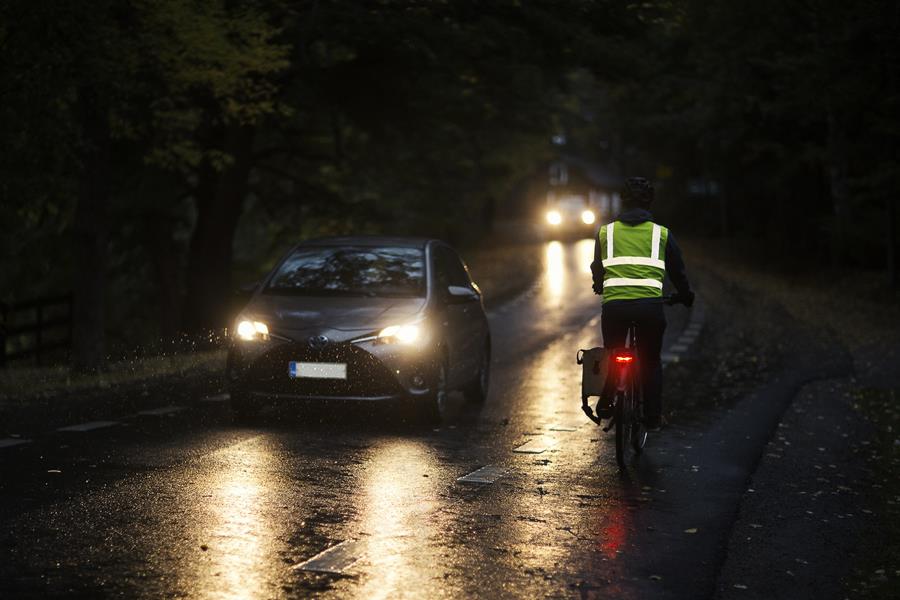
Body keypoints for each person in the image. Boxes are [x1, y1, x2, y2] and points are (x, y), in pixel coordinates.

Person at [590, 177, 694, 431]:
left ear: (623, 202)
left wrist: (599, 284)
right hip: (650, 309)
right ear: (650, 202)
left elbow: (597, 267)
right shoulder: (661, 234)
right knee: (650, 362)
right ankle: (652, 417)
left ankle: (606, 398)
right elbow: (677, 271)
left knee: (612, 353)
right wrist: (685, 294)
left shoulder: (606, 232)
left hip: (615, 309)